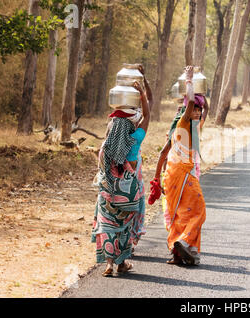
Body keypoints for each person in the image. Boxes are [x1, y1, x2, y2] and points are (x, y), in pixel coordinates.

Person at [91, 66, 152, 277]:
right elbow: (147, 116)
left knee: (107, 227)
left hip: (107, 197)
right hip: (128, 198)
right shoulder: (134, 143)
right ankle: (122, 263)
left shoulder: (104, 149)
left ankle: (108, 264)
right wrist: (142, 95)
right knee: (124, 229)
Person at [160, 66, 208, 266]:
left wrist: (201, 92)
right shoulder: (183, 122)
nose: (197, 112)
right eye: (194, 110)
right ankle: (185, 241)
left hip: (174, 175)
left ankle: (178, 253)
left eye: (198, 110)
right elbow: (189, 103)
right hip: (183, 175)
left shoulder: (194, 127)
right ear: (187, 111)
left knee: (181, 212)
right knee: (199, 210)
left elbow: (204, 109)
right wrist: (189, 80)